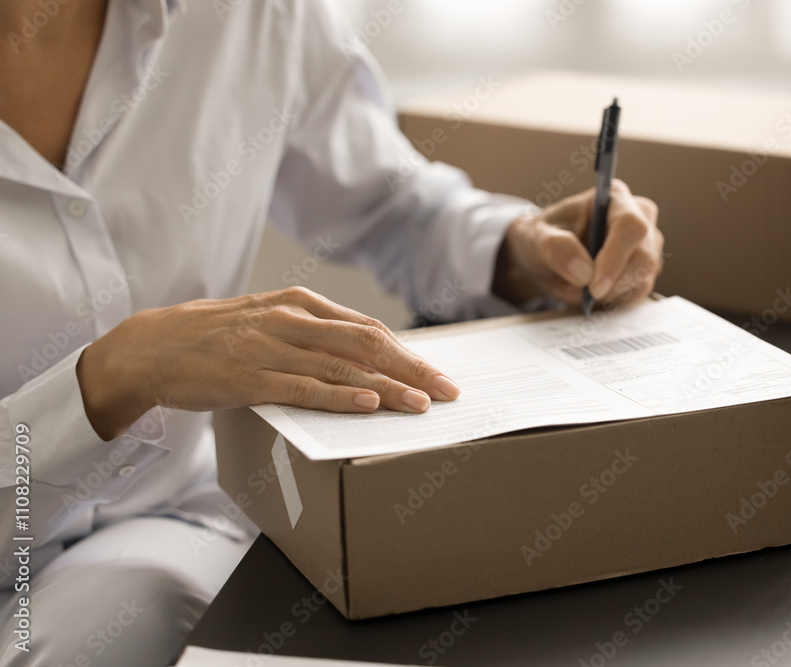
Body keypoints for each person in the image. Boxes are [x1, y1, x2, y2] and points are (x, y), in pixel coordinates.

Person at [0, 0, 662, 664]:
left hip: (157, 517)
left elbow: (390, 204)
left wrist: (519, 250)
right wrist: (112, 376)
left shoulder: (253, 14)